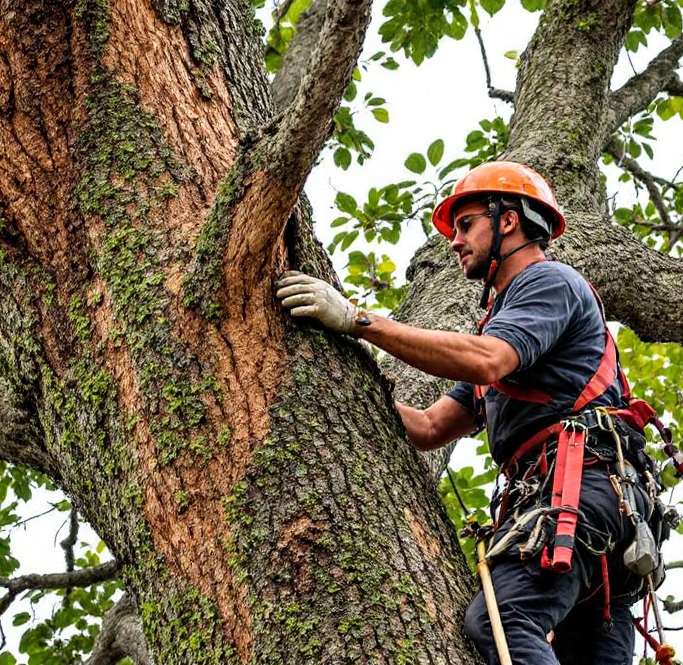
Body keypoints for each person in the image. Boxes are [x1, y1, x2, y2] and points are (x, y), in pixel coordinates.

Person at [275, 161, 655, 665]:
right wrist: (348, 388)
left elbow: (488, 359)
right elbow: (432, 427)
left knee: (503, 621)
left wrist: (359, 321)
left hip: (581, 495)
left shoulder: (549, 282)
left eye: (466, 223)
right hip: (600, 518)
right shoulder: (508, 326)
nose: (455, 240)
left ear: (509, 221)